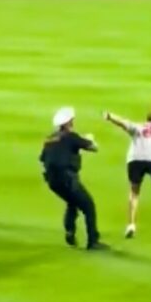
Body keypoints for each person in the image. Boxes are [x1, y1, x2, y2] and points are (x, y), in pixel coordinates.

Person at [103, 99, 151, 240]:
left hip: (135, 159)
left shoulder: (138, 126)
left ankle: (131, 225)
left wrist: (109, 116)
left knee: (134, 192)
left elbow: (122, 122)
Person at [40, 107, 109, 250]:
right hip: (67, 178)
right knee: (88, 206)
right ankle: (93, 241)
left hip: (53, 181)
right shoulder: (71, 136)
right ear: (68, 123)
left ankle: (70, 231)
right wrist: (89, 139)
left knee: (72, 202)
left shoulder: (49, 139)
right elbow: (93, 147)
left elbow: (43, 159)